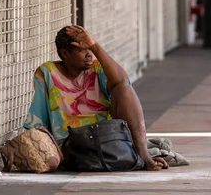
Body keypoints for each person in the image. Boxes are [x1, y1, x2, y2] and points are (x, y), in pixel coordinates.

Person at [23, 25, 168, 171]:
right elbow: (38, 122)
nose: (89, 55)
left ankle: (144, 156)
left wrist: (95, 46)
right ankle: (132, 156)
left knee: (124, 88)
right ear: (65, 53)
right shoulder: (47, 73)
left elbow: (124, 82)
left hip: (106, 138)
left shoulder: (97, 68)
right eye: (82, 50)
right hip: (72, 144)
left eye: (89, 49)